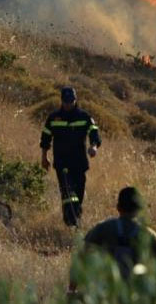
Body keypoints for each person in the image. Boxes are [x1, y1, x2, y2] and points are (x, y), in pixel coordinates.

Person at [40, 87, 101, 226]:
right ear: (61, 101)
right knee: (67, 192)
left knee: (78, 193)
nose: (68, 104)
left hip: (79, 162)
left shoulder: (84, 117)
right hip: (62, 162)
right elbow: (45, 138)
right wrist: (44, 157)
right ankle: (70, 221)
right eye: (66, 102)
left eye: (71, 101)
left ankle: (76, 218)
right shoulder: (54, 118)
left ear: (75, 100)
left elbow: (94, 133)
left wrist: (94, 146)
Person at [80, 187, 156, 281]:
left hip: (106, 291)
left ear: (118, 207)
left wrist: (72, 289)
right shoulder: (148, 235)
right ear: (139, 210)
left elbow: (81, 257)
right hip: (137, 292)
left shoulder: (102, 229)